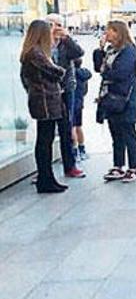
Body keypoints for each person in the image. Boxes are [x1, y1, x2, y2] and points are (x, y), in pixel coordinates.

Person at [20, 20, 69, 194]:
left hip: (45, 99)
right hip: (45, 101)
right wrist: (60, 71)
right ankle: (45, 179)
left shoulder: (32, 52)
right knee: (44, 141)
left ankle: (47, 178)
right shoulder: (35, 53)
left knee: (45, 140)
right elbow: (55, 72)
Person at [95, 20, 136, 183]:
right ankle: (118, 165)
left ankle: (133, 167)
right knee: (115, 132)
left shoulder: (129, 50)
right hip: (110, 95)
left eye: (109, 31)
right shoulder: (109, 50)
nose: (106, 33)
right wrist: (99, 49)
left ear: (118, 32)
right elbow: (97, 67)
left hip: (124, 96)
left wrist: (106, 73)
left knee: (128, 131)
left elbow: (121, 72)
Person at [46, 14, 85, 178]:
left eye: (59, 24)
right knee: (46, 132)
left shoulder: (65, 44)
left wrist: (66, 37)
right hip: (47, 92)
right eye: (52, 24)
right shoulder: (42, 44)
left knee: (66, 128)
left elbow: (79, 53)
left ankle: (70, 165)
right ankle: (44, 170)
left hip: (66, 90)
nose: (56, 27)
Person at [71, 58, 92, 161]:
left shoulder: (71, 74)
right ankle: (82, 149)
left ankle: (74, 152)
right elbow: (85, 91)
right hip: (80, 103)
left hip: (72, 103)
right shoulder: (83, 75)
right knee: (78, 127)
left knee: (72, 127)